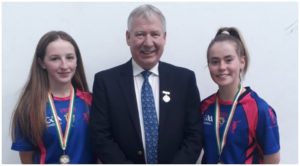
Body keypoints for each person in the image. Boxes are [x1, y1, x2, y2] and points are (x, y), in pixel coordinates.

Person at [89, 4, 202, 164]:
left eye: (155, 34)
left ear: (164, 37)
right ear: (128, 37)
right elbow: (101, 137)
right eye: (140, 34)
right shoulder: (105, 82)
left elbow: (194, 136)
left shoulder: (184, 80)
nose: (148, 43)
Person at [11, 31, 95, 164]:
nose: (64, 66)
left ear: (76, 60)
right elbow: (26, 158)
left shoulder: (92, 101)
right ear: (42, 63)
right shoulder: (28, 107)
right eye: (55, 58)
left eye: (69, 57)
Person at [200, 27, 280, 164]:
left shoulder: (260, 109)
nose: (221, 67)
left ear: (242, 62)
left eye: (228, 60)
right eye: (215, 61)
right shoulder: (204, 106)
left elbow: (272, 160)